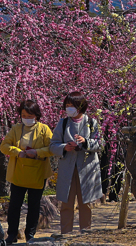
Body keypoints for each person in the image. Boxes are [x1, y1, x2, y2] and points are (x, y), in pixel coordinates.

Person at [49, 92, 104, 235]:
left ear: (80, 106)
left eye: (71, 106)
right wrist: (64, 147)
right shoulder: (63, 123)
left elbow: (100, 144)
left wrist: (86, 142)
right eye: (67, 106)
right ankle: (65, 234)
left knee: (85, 204)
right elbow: (53, 145)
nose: (68, 108)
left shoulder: (92, 122)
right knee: (66, 204)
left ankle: (85, 233)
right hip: (68, 168)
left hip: (86, 168)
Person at [0, 99, 54, 244]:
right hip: (19, 172)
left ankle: (30, 234)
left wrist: (36, 152)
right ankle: (12, 234)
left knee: (34, 205)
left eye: (30, 116)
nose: (27, 118)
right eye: (24, 115)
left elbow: (52, 148)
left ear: (36, 115)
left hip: (38, 172)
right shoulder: (16, 129)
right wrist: (18, 152)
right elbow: (4, 146)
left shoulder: (44, 129)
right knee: (14, 205)